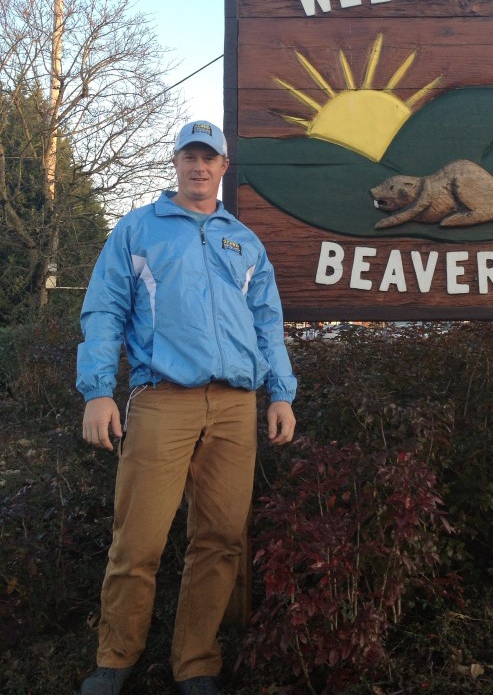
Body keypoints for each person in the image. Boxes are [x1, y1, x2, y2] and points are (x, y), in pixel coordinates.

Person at [76, 120, 297, 695]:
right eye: (189, 156)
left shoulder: (244, 241)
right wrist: (98, 390)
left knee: (221, 539)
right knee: (139, 540)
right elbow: (104, 310)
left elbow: (267, 322)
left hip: (234, 407)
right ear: (175, 162)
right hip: (162, 401)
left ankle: (196, 662)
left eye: (210, 158)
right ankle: (115, 659)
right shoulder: (138, 230)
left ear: (225, 167)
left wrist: (282, 393)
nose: (199, 167)